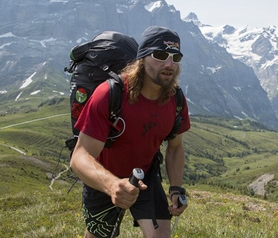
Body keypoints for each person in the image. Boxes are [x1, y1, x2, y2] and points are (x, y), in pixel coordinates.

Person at [70, 26, 191, 238]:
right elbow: (79, 157)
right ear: (142, 58)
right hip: (102, 178)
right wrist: (112, 185)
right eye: (160, 55)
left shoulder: (176, 100)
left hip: (145, 175)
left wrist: (176, 189)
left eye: (175, 57)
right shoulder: (109, 94)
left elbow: (175, 147)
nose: (169, 64)